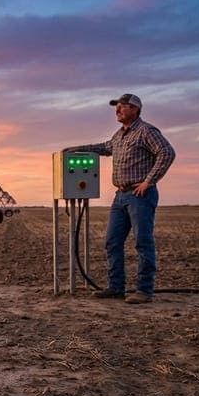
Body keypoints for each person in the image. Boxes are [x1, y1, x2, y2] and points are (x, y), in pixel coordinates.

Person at [64, 93, 175, 304]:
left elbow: (167, 152)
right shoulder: (120, 135)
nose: (118, 110)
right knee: (112, 242)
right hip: (120, 196)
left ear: (135, 109)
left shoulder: (146, 131)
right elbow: (105, 147)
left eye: (122, 106)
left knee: (143, 242)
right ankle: (115, 287)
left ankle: (144, 291)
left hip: (139, 195)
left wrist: (148, 182)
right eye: (116, 107)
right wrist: (78, 149)